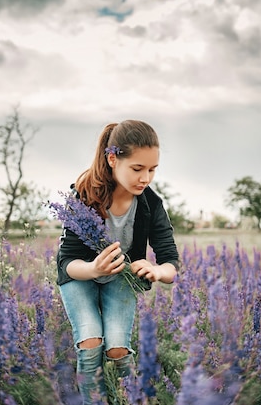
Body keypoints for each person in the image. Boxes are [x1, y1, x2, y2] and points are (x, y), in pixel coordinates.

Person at [56, 120, 180, 404]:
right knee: (90, 342)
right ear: (113, 159)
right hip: (81, 277)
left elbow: (170, 261)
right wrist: (93, 269)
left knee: (117, 350)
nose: (145, 177)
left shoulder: (151, 203)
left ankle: (130, 398)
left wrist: (156, 270)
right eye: (137, 169)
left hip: (121, 277)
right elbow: (66, 262)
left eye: (152, 169)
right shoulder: (84, 195)